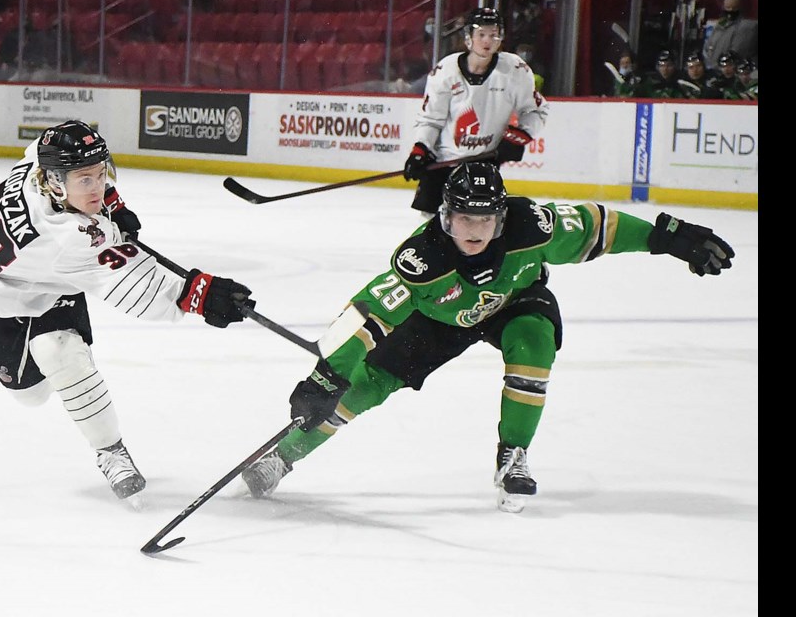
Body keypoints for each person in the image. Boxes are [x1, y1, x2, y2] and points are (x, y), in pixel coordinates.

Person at [241, 161, 734, 513]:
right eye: (463, 219)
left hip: (513, 300)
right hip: (438, 320)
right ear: (444, 217)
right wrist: (325, 377)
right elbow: (368, 315)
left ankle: (512, 455)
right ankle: (285, 456)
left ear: (501, 218)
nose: (474, 230)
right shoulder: (421, 262)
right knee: (364, 387)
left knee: (536, 341)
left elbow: (596, 226)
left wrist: (669, 236)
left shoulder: (530, 227)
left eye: (485, 219)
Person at [0, 120, 255, 503]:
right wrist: (201, 294)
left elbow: (60, 152)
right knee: (30, 395)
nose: (97, 186)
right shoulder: (68, 239)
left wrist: (114, 205)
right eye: (86, 181)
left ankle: (111, 451)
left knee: (61, 352)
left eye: (102, 175)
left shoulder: (40, 165)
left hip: (45, 284)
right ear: (57, 184)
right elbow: (141, 289)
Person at [403, 7, 549, 216]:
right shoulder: (446, 70)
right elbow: (431, 119)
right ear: (468, 37)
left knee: (477, 220)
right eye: (481, 34)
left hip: (484, 161)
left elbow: (537, 110)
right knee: (430, 221)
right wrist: (420, 150)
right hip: (443, 160)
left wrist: (519, 136)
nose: (487, 41)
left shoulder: (515, 70)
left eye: (494, 34)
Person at [702, 0, 758, 70]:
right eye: (728, 7)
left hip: (734, 73)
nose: (730, 11)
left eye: (734, 8)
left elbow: (737, 53)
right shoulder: (720, 25)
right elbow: (708, 47)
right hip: (713, 70)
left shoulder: (747, 27)